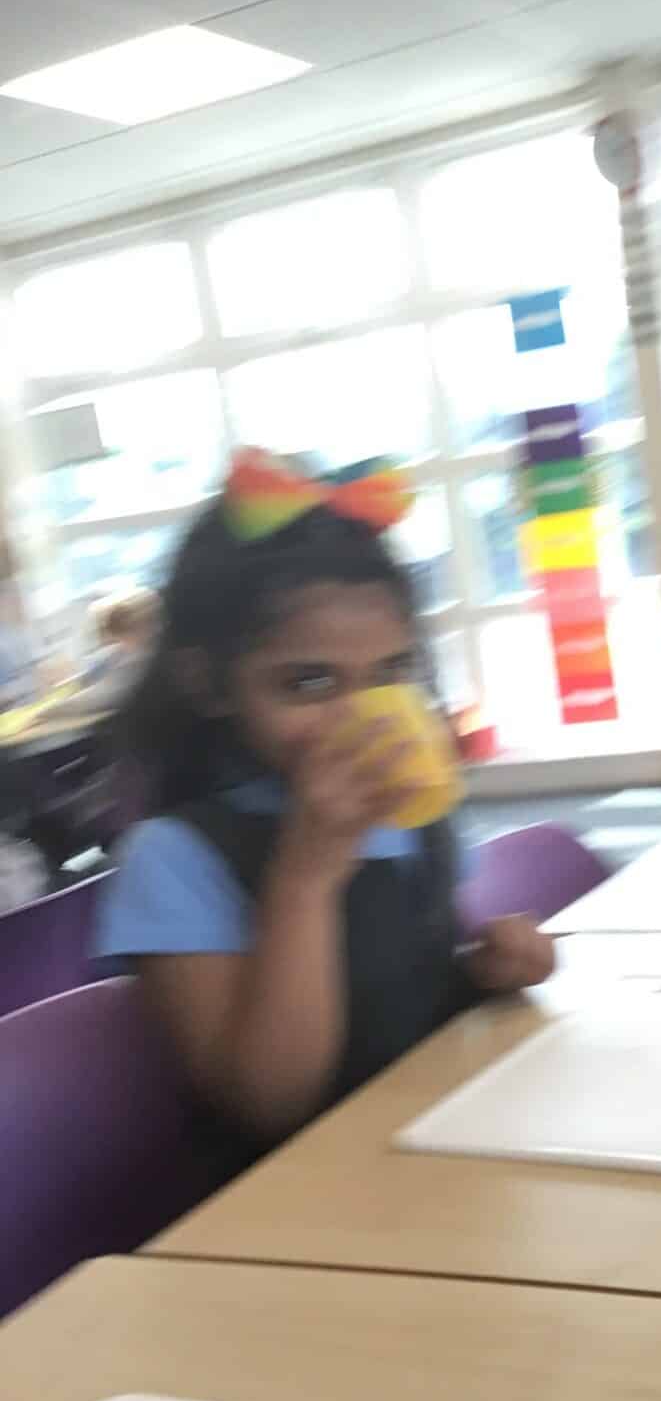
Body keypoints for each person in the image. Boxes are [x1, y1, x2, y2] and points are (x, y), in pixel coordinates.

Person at [96, 450, 554, 1169]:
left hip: (439, 1147)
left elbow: (400, 999)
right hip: (302, 1197)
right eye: (308, 683)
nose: (360, 719)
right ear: (208, 684)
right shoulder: (174, 857)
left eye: (391, 674)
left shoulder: (409, 820)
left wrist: (484, 970)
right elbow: (269, 1103)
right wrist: (305, 876)